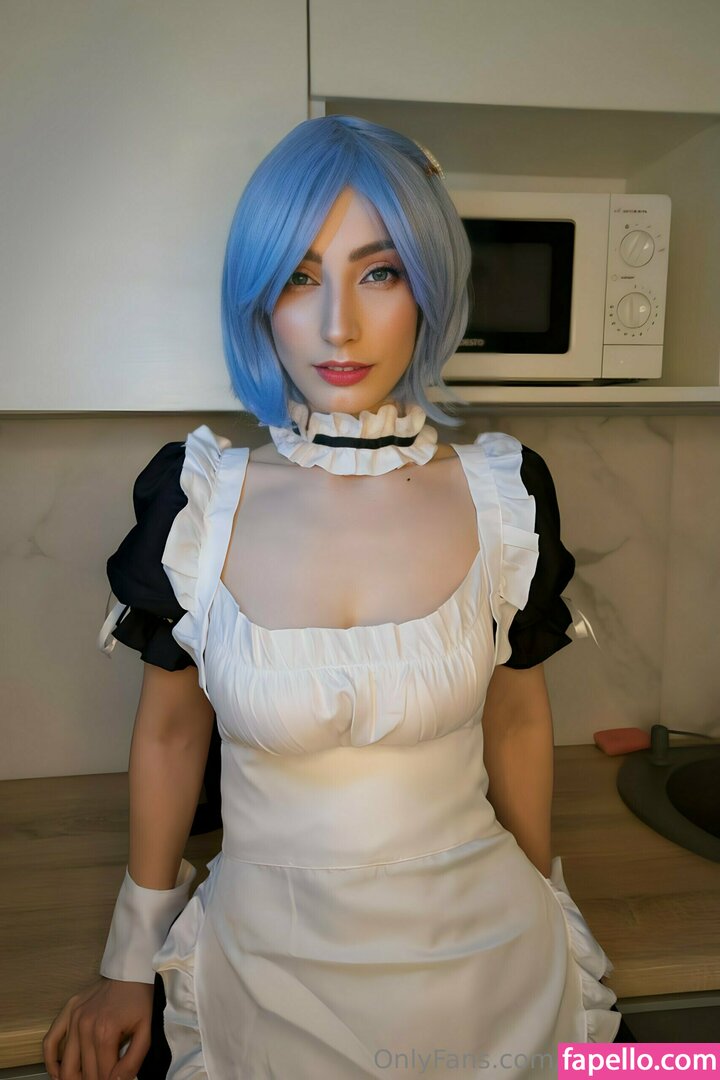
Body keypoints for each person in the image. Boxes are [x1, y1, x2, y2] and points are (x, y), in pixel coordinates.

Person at [44, 115, 624, 1080]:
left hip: (495, 964)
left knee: (686, 1068)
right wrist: (127, 965)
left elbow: (518, 718)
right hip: (265, 973)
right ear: (259, 300)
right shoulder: (199, 504)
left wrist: (550, 903)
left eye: (379, 272)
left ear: (430, 285)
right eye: (300, 277)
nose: (338, 326)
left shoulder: (506, 493)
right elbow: (171, 736)